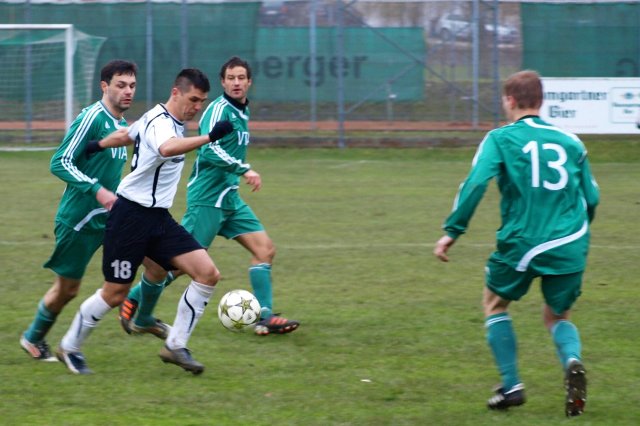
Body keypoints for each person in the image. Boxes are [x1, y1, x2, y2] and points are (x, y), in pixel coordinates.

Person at [433, 70, 599, 417]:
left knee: (494, 304)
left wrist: (453, 230)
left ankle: (511, 386)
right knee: (557, 315)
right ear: (541, 100)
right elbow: (592, 197)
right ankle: (572, 360)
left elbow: (476, 183)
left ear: (509, 100)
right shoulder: (572, 142)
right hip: (570, 240)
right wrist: (577, 234)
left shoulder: (500, 139)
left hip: (524, 239)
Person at [56, 68, 234, 375]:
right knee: (115, 293)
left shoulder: (159, 119)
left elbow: (127, 134)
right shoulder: (161, 123)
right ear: (176, 92)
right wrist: (208, 137)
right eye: (193, 99)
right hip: (130, 217)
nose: (197, 107)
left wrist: (98, 145)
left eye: (202, 102)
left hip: (158, 218)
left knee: (207, 274)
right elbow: (167, 148)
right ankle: (69, 347)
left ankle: (176, 345)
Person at [119, 56, 299, 337]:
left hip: (229, 198)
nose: (236, 83)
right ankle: (135, 298)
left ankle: (264, 317)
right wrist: (243, 169)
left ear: (249, 82)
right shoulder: (218, 110)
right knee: (179, 264)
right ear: (223, 82)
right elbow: (209, 149)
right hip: (208, 198)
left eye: (241, 78)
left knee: (265, 250)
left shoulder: (242, 111)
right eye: (231, 78)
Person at [20, 60, 137, 362]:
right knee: (67, 289)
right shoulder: (92, 117)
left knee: (159, 257)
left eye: (132, 85)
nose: (128, 91)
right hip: (79, 220)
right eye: (121, 85)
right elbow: (60, 161)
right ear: (104, 86)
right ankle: (33, 338)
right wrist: (97, 190)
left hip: (111, 217)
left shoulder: (122, 124)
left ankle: (141, 313)